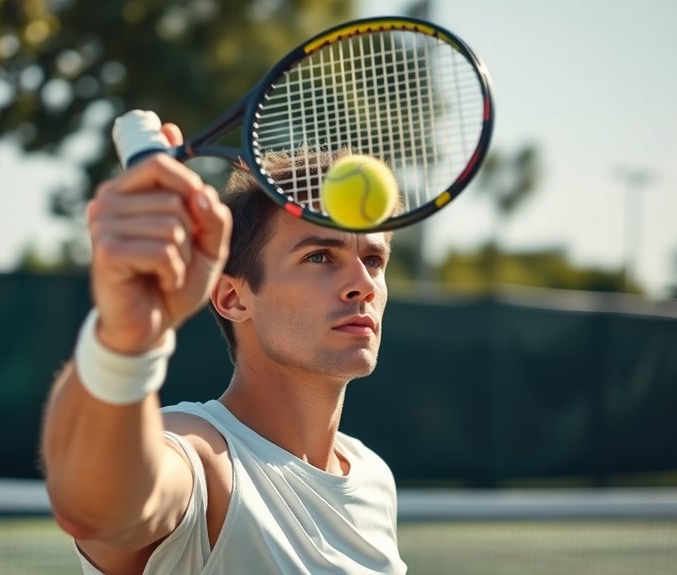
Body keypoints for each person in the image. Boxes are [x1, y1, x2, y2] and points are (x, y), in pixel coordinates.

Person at [40, 118, 406, 574]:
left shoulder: (374, 478)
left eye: (374, 259)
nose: (363, 285)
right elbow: (94, 504)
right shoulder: (201, 459)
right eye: (319, 257)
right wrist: (122, 337)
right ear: (233, 297)